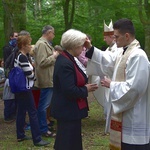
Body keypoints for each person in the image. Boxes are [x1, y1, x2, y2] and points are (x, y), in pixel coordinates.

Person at [85, 18, 150, 150]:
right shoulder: (123, 52)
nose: (114, 40)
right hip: (125, 115)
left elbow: (135, 89)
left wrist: (112, 85)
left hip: (134, 116)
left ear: (127, 36)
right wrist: (90, 48)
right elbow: (108, 62)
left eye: (116, 36)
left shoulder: (138, 56)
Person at [51, 29, 98, 150]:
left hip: (70, 110)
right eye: (81, 46)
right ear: (74, 45)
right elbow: (69, 90)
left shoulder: (69, 59)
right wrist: (85, 89)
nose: (83, 49)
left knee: (72, 141)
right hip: (67, 110)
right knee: (66, 142)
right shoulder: (65, 63)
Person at [14, 35, 50, 146]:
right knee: (33, 112)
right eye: (29, 44)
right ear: (23, 46)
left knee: (21, 111)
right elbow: (29, 75)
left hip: (20, 89)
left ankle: (20, 134)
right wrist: (34, 72)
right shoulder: (23, 58)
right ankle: (37, 139)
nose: (30, 46)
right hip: (25, 88)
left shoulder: (20, 56)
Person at [90, 20, 123, 134]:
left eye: (105, 37)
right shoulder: (109, 49)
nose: (104, 40)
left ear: (111, 36)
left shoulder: (119, 48)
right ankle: (110, 121)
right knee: (108, 102)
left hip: (115, 81)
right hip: (108, 80)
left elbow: (109, 62)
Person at [34, 25, 59, 137]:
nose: (54, 36)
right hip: (46, 79)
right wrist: (54, 56)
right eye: (53, 33)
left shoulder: (44, 44)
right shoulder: (41, 44)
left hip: (49, 78)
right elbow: (42, 62)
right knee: (43, 105)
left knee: (46, 105)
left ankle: (45, 125)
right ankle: (43, 129)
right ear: (48, 33)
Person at [2, 32, 18, 123]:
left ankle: (13, 113)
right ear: (11, 37)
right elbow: (8, 61)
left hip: (16, 73)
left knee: (15, 96)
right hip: (10, 73)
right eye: (15, 36)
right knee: (9, 96)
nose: (17, 38)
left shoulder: (16, 47)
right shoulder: (7, 48)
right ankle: (7, 115)